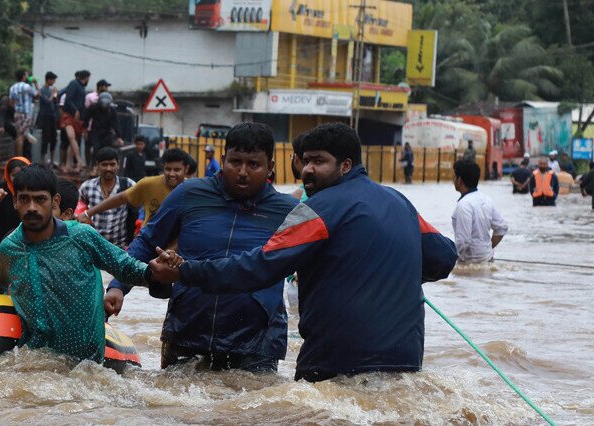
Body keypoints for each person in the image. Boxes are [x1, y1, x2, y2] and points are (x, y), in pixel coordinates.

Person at [147, 122, 458, 382]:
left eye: (319, 161)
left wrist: (187, 271)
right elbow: (443, 257)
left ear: (345, 165)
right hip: (405, 359)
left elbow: (261, 266)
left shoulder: (317, 209)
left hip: (335, 361)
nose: (307, 170)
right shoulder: (400, 203)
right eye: (305, 160)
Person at [105, 123, 298, 373]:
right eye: (235, 161)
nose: (242, 172)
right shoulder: (190, 193)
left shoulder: (287, 211)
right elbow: (147, 240)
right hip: (188, 330)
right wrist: (118, 286)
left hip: (256, 341)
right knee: (174, 407)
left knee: (253, 409)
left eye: (253, 164)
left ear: (270, 167)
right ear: (223, 159)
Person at [0, 165, 162, 362]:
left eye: (40, 199)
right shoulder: (9, 249)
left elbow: (125, 266)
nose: (32, 207)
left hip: (87, 365)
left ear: (54, 200)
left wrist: (155, 274)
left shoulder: (81, 237)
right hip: (35, 366)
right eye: (24, 199)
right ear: (15, 202)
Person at [77, 148, 193, 231]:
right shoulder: (148, 184)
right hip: (149, 243)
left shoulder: (193, 190)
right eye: (168, 169)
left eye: (177, 170)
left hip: (177, 249)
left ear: (186, 168)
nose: (172, 174)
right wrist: (88, 213)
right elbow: (121, 198)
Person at [452, 160, 507, 263]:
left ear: (459, 180)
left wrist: (452, 262)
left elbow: (463, 241)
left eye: (454, 176)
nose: (453, 180)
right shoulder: (486, 200)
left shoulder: (463, 205)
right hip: (488, 260)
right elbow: (501, 227)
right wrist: (487, 249)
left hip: (468, 264)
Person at [79, 147, 136, 248]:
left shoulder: (128, 185)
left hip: (119, 248)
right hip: (92, 246)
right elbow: (78, 212)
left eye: (112, 164)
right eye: (104, 164)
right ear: (97, 165)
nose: (108, 168)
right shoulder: (86, 187)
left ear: (118, 164)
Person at [58, 70, 91, 171]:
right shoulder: (74, 83)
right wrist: (75, 110)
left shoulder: (81, 87)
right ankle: (79, 160)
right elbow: (68, 98)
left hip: (78, 118)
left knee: (73, 141)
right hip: (69, 115)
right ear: (85, 77)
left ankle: (68, 165)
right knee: (71, 136)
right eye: (88, 78)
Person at [9, 69, 39, 159]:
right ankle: (20, 159)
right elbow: (37, 94)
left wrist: (18, 106)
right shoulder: (27, 87)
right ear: (23, 76)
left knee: (18, 135)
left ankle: (16, 157)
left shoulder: (12, 87)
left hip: (17, 113)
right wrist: (36, 83)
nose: (27, 76)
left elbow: (10, 103)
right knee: (21, 137)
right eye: (26, 74)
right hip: (26, 114)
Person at [85, 90, 122, 158]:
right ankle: (94, 165)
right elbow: (86, 119)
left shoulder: (112, 110)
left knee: (108, 148)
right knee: (96, 148)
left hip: (107, 131)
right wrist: (85, 130)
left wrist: (119, 136)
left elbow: (116, 123)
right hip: (95, 131)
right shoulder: (93, 107)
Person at [36, 71, 59, 166]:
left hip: (52, 116)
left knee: (54, 138)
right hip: (45, 117)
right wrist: (52, 94)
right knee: (45, 138)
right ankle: (43, 160)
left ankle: (52, 160)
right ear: (49, 79)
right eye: (53, 80)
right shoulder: (42, 90)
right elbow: (47, 101)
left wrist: (55, 96)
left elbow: (54, 102)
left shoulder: (51, 89)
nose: (54, 82)